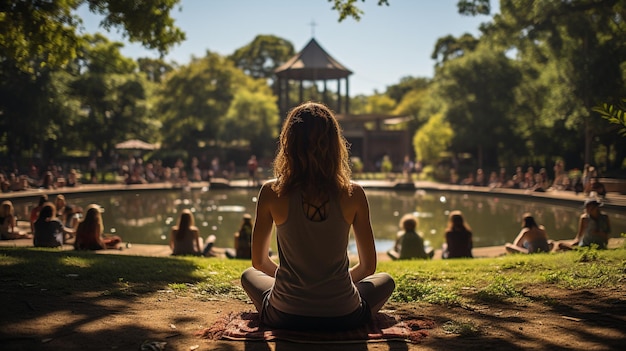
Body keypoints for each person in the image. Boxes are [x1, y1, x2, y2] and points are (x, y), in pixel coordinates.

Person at [240, 101, 395, 331]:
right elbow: (368, 267)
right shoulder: (354, 194)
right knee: (386, 281)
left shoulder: (272, 192)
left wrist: (291, 282)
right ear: (335, 145)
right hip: (344, 314)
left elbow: (259, 262)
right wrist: (330, 287)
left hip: (284, 314)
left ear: (288, 143)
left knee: (248, 275)